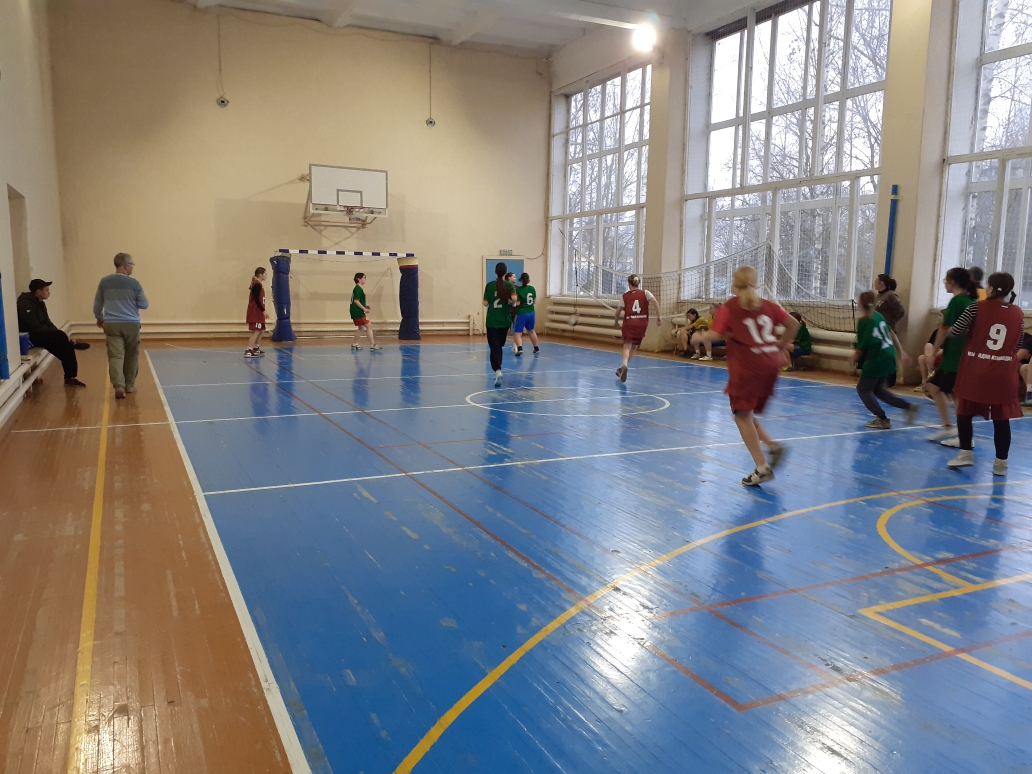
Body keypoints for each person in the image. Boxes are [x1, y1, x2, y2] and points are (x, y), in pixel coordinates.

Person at [696, 266, 798, 486]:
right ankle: (772, 446)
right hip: (770, 366)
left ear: (734, 285)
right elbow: (794, 324)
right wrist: (780, 346)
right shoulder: (768, 306)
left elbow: (716, 334)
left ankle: (762, 467)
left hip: (748, 366)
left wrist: (698, 337)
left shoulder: (731, 306)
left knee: (741, 416)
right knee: (745, 412)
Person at [945, 272, 1024, 475]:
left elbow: (955, 331)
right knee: (1002, 419)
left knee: (964, 412)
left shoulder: (975, 307)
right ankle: (1001, 464)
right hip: (1004, 373)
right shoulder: (1018, 313)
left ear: (990, 288)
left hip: (977, 370)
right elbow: (1018, 343)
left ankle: (965, 453)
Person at [848, 291, 918, 429]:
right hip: (888, 354)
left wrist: (853, 358)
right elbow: (891, 333)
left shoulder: (864, 320)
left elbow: (863, 344)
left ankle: (882, 419)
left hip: (877, 357)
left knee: (863, 389)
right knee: (878, 390)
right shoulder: (878, 315)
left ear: (860, 303)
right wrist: (901, 352)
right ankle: (908, 407)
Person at [925, 267, 978, 444]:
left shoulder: (957, 302)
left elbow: (944, 330)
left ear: (952, 282)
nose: (944, 283)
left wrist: (933, 353)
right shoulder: (970, 301)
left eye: (945, 280)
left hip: (957, 357)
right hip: (955, 355)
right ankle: (948, 427)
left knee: (957, 395)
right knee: (933, 387)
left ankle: (965, 437)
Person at [93, 253, 149, 399]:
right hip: (131, 324)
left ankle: (118, 386)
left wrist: (99, 317)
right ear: (125, 266)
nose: (132, 267)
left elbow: (98, 303)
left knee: (115, 356)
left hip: (111, 324)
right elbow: (144, 304)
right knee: (131, 355)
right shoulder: (134, 284)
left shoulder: (104, 282)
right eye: (132, 264)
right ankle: (129, 385)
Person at [17, 279, 89, 387]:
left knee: (66, 347)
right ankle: (72, 346)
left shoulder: (41, 303)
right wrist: (59, 334)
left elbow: (48, 322)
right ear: (38, 291)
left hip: (42, 334)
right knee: (63, 341)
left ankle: (70, 378)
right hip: (31, 338)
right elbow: (35, 327)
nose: (49, 292)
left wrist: (60, 333)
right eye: (46, 290)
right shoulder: (24, 305)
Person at [614, 274, 660, 383]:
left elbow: (617, 312)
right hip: (642, 323)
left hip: (629, 322)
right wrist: (659, 317)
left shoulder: (625, 296)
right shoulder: (646, 293)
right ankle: (622, 368)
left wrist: (616, 322)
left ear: (629, 284)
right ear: (638, 283)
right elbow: (655, 302)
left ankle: (624, 366)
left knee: (627, 346)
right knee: (634, 347)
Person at [483, 262, 517, 386]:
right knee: (499, 346)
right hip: (505, 321)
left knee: (494, 347)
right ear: (505, 273)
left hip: (492, 321)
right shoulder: (509, 285)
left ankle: (497, 371)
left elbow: (485, 303)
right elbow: (514, 300)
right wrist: (510, 302)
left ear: (495, 272)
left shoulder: (489, 286)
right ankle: (499, 370)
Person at [350, 273, 381, 351]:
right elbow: (356, 301)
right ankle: (373, 345)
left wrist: (365, 306)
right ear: (358, 279)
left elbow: (357, 301)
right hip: (357, 311)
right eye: (363, 278)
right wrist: (364, 309)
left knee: (361, 327)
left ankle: (355, 344)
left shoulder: (358, 288)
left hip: (355, 311)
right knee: (369, 326)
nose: (365, 279)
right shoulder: (358, 289)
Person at [512, 273, 540, 357]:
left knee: (517, 333)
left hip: (522, 313)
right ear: (528, 280)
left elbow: (518, 303)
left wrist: (512, 303)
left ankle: (520, 348)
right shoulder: (532, 288)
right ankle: (536, 348)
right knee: (531, 331)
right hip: (531, 312)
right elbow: (534, 301)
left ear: (520, 280)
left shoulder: (518, 290)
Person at [244, 267, 269, 358]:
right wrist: (263, 310)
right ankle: (248, 350)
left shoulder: (259, 284)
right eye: (265, 274)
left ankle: (256, 348)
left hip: (258, 312)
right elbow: (256, 299)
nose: (266, 276)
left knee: (261, 329)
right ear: (260, 275)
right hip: (256, 312)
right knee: (256, 331)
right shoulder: (257, 285)